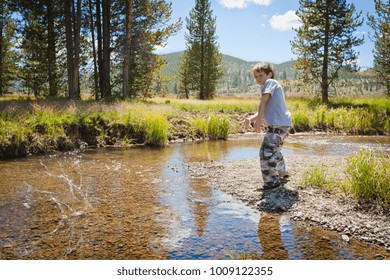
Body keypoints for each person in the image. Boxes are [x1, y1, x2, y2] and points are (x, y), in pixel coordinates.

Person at [243, 62, 292, 190]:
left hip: (278, 125)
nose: (258, 79)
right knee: (275, 150)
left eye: (261, 75)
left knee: (266, 152)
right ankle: (282, 173)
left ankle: (271, 182)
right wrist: (251, 119)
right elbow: (264, 108)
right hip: (283, 124)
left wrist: (258, 121)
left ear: (269, 74)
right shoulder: (270, 86)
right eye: (256, 77)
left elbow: (263, 102)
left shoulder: (270, 83)